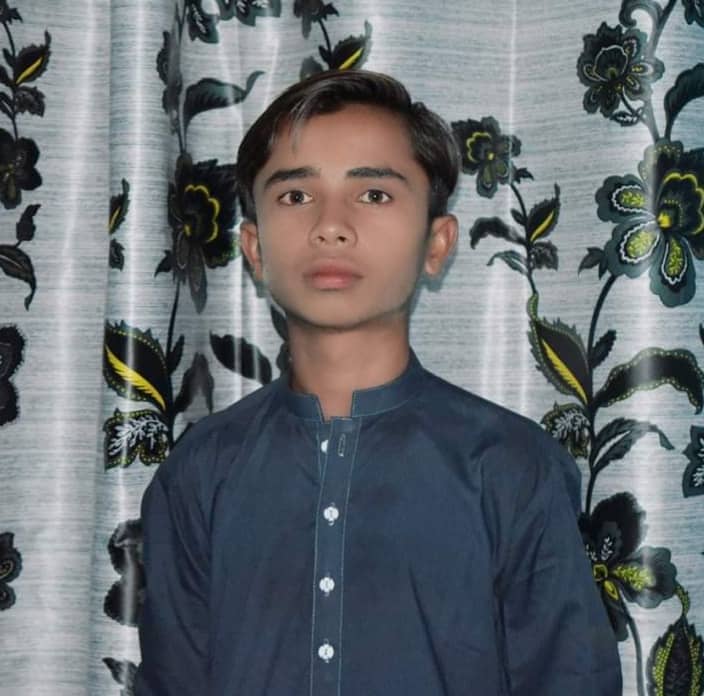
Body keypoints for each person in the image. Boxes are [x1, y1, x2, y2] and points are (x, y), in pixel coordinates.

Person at [135, 70, 622, 695]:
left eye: (373, 194)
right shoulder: (199, 473)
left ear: (436, 243)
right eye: (295, 196)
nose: (331, 225)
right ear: (254, 249)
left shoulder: (512, 467)